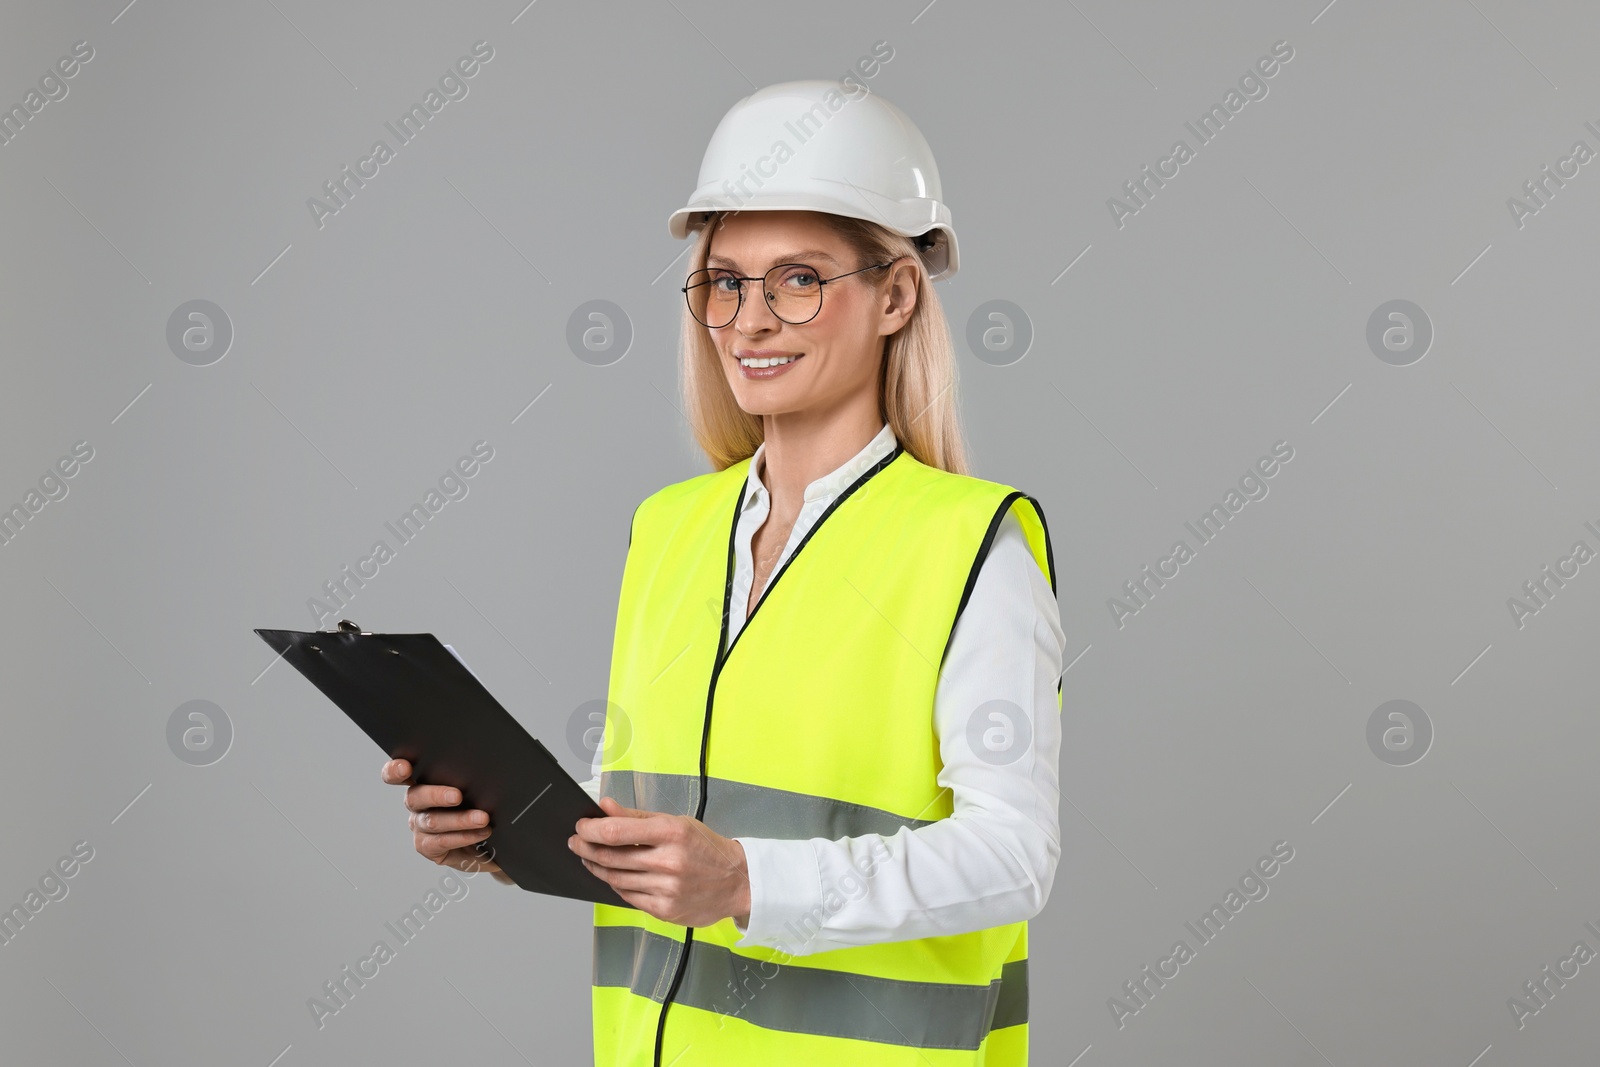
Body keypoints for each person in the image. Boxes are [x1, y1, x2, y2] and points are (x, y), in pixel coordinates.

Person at [382, 79, 1065, 1066]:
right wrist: (511, 830)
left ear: (897, 295)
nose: (749, 319)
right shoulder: (671, 529)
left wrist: (746, 883)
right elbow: (689, 801)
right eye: (724, 280)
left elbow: (1012, 856)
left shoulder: (968, 546)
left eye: (798, 278)